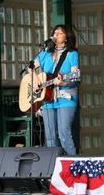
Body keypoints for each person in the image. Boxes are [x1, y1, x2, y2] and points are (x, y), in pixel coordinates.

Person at [32, 24, 79, 155]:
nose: (56, 34)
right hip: (47, 99)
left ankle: (72, 165)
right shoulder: (46, 53)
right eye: (55, 32)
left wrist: (63, 81)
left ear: (67, 37)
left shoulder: (72, 54)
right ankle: (54, 167)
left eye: (60, 32)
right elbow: (31, 67)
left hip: (66, 98)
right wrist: (36, 79)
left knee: (64, 134)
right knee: (51, 136)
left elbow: (76, 76)